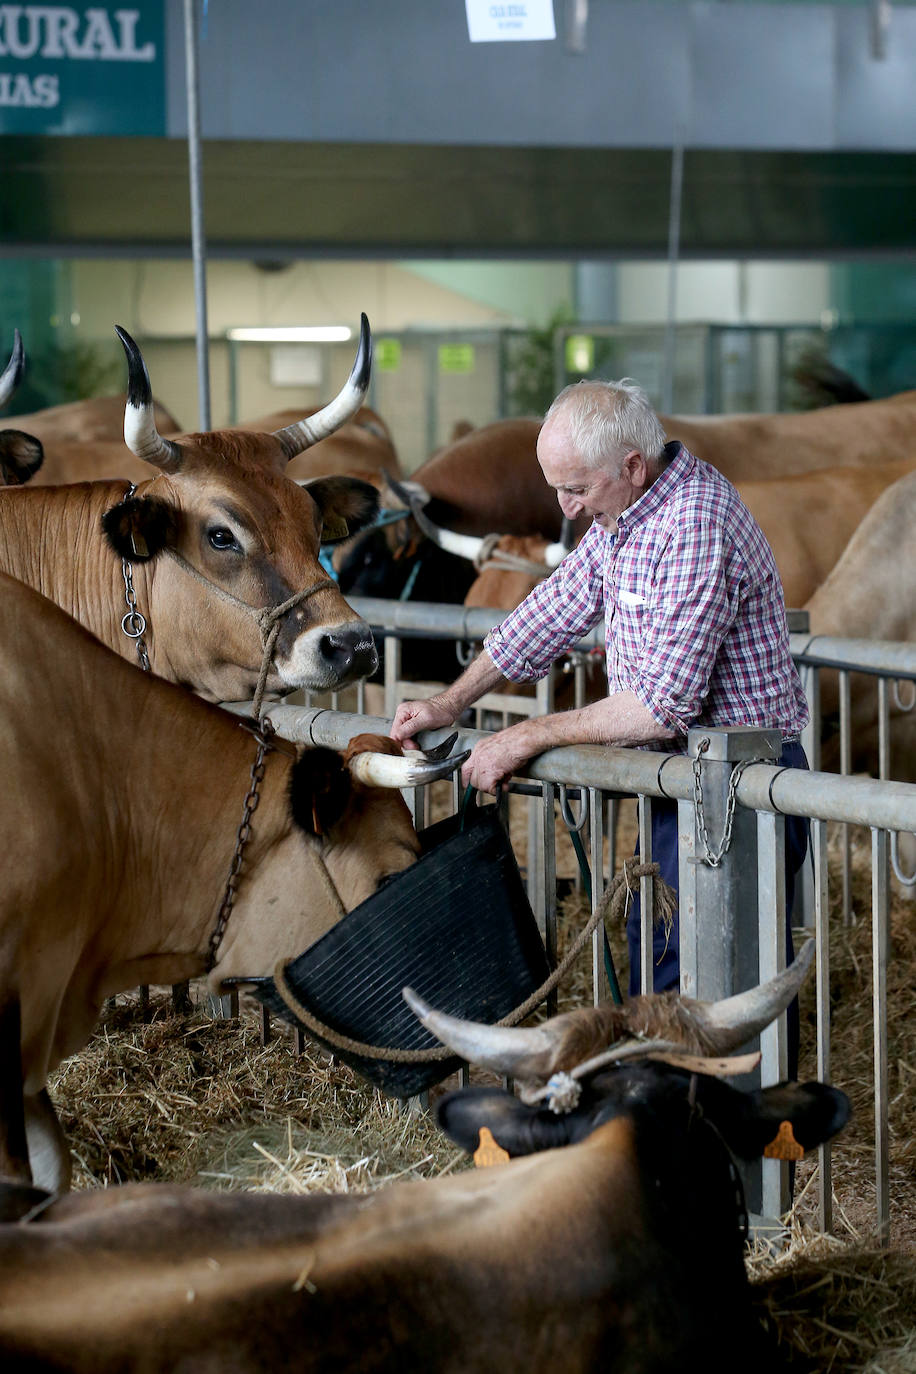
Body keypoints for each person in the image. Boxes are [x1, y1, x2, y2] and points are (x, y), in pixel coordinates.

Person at [390, 378, 810, 999]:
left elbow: (663, 704)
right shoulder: (625, 521)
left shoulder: (695, 522)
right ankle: (665, 1087)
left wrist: (524, 736)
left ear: (634, 466)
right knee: (657, 940)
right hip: (681, 780)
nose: (565, 507)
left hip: (742, 790)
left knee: (715, 971)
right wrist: (450, 701)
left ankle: (713, 1093)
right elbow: (549, 611)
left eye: (577, 488)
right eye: (558, 487)